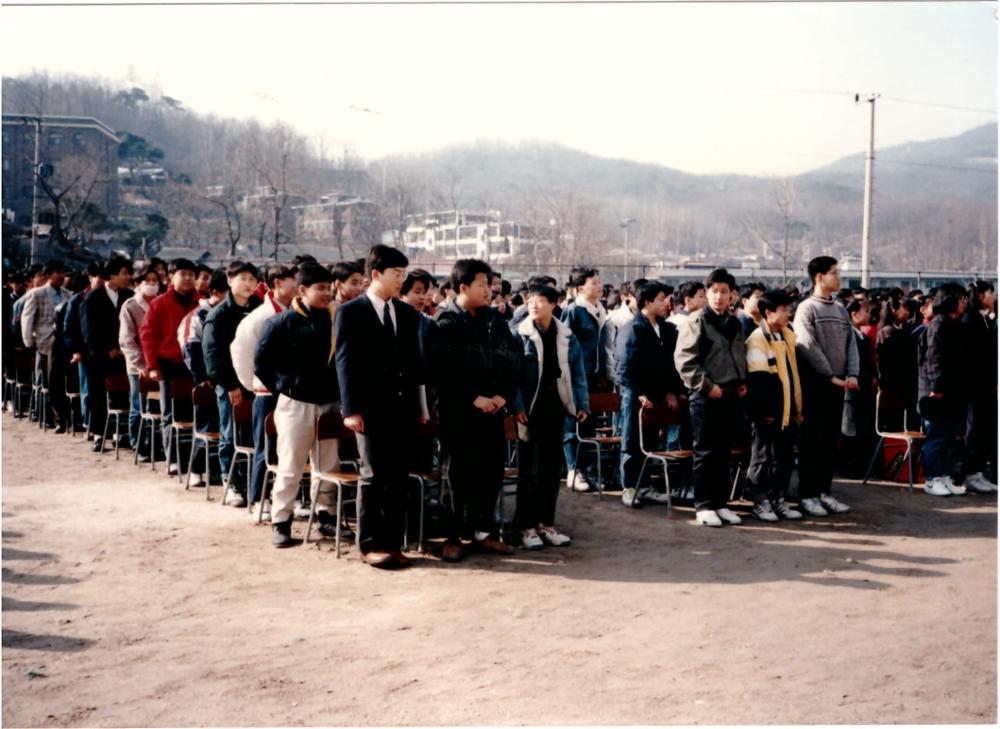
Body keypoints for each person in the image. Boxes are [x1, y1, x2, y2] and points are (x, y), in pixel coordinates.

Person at [336, 245, 427, 568]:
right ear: (376, 274)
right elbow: (345, 364)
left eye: (404, 274)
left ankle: (393, 542)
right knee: (373, 476)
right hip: (369, 410)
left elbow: (414, 364)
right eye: (396, 274)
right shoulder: (351, 312)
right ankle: (369, 545)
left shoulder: (405, 313)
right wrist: (350, 410)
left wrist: (421, 407)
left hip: (402, 409)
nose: (401, 280)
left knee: (399, 478)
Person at [427, 258, 520, 562]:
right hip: (458, 412)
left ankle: (483, 532)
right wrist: (472, 397)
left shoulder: (494, 320)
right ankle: (452, 536)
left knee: (490, 471)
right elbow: (441, 372)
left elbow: (511, 359)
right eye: (482, 284)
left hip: (492, 410)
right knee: (456, 475)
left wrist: (502, 395)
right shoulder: (444, 322)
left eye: (490, 284)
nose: (489, 290)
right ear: (462, 286)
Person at [254, 262, 343, 548]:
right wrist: (286, 386)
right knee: (291, 466)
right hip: (296, 405)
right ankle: (281, 521)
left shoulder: (336, 319)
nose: (327, 293)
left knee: (329, 465)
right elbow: (262, 364)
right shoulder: (282, 322)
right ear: (302, 290)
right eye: (320, 288)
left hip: (329, 404)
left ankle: (327, 517)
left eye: (329, 288)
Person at [511, 283, 588, 549]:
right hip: (529, 410)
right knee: (529, 471)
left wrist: (581, 404)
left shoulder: (566, 335)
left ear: (555, 304)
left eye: (541, 300)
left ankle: (546, 524)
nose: (534, 304)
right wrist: (517, 405)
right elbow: (514, 377)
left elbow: (577, 373)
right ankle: (526, 527)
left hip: (556, 406)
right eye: (530, 299)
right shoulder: (519, 334)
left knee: (550, 470)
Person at [674, 268, 748, 527]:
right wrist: (706, 386)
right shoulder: (697, 320)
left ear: (732, 296)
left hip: (730, 394)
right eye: (714, 291)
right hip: (706, 396)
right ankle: (704, 505)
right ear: (706, 294)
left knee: (723, 452)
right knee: (705, 451)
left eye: (724, 292)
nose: (718, 297)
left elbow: (739, 354)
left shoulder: (735, 322)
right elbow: (685, 361)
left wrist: (741, 381)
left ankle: (720, 503)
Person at [792, 256, 858, 517]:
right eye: (833, 273)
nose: (838, 277)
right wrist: (830, 375)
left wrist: (852, 373)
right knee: (812, 441)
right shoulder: (806, 309)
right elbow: (806, 344)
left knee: (831, 442)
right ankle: (807, 495)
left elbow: (851, 344)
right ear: (819, 277)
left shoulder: (841, 310)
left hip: (838, 385)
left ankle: (824, 492)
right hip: (816, 386)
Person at [230, 264, 297, 516]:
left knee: (289, 448)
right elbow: (242, 353)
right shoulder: (258, 317)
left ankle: (291, 498)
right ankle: (258, 497)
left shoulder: (295, 312)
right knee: (265, 447)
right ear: (278, 283)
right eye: (294, 281)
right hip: (266, 393)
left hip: (290, 392)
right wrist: (255, 384)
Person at [615, 281, 685, 508]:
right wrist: (640, 393)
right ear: (647, 302)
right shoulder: (633, 328)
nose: (667, 303)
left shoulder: (665, 328)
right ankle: (629, 487)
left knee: (651, 441)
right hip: (636, 396)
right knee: (631, 441)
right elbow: (625, 366)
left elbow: (669, 366)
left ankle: (645, 486)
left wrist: (671, 392)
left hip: (656, 395)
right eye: (662, 298)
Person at [202, 261, 262, 507]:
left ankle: (254, 483)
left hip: (257, 383)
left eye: (252, 279)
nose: (248, 284)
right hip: (231, 385)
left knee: (254, 434)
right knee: (230, 432)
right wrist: (230, 385)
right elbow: (213, 355)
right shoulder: (218, 315)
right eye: (242, 278)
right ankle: (231, 481)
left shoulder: (259, 308)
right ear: (229, 281)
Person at [744, 289, 804, 521]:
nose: (788, 313)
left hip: (787, 410)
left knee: (784, 457)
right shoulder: (757, 340)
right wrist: (764, 411)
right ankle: (760, 501)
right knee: (762, 457)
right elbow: (758, 381)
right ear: (768, 313)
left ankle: (778, 499)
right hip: (768, 413)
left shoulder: (786, 336)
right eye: (784, 310)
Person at [139, 258, 201, 476]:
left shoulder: (201, 303)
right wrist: (152, 365)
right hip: (168, 365)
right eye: (182, 274)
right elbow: (148, 336)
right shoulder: (159, 304)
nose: (187, 278)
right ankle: (173, 459)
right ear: (170, 278)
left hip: (194, 365)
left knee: (195, 414)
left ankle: (195, 463)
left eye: (191, 274)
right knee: (170, 413)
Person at [561, 267, 615, 493]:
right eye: (593, 282)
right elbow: (563, 345)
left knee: (589, 425)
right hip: (575, 377)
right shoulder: (573, 311)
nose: (599, 285)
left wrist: (607, 374)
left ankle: (588, 469)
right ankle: (574, 470)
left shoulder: (601, 311)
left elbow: (605, 348)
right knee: (573, 424)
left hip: (595, 377)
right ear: (580, 287)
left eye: (599, 281)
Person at [918, 284, 974, 496]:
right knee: (937, 436)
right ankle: (932, 479)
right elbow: (935, 360)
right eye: (960, 298)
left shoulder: (954, 325)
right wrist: (937, 388)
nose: (963, 302)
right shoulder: (939, 324)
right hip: (937, 394)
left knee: (949, 437)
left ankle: (945, 476)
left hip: (953, 393)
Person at [81, 257, 134, 452]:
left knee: (121, 394)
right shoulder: (93, 298)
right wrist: (106, 350)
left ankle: (120, 433)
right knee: (97, 395)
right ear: (112, 275)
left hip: (123, 354)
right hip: (99, 356)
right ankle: (98, 434)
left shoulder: (130, 295)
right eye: (124, 273)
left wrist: (122, 348)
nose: (128, 277)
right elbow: (89, 329)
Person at [20, 260, 71, 430]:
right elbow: (27, 318)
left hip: (63, 341)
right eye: (58, 272)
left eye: (63, 272)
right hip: (45, 341)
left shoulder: (67, 294)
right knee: (51, 381)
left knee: (61, 380)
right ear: (49, 275)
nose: (62, 276)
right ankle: (55, 417)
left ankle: (64, 415)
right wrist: (29, 341)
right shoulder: (37, 294)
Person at [960, 280, 998, 492]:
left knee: (983, 429)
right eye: (991, 293)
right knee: (975, 429)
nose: (994, 297)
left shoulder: (982, 320)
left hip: (985, 385)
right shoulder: (971, 320)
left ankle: (977, 472)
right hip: (976, 386)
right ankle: (970, 474)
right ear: (982, 295)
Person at [120, 265, 161, 455]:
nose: (152, 284)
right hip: (138, 365)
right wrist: (141, 364)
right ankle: (137, 443)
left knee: (157, 406)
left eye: (155, 281)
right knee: (138, 404)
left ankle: (155, 443)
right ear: (138, 283)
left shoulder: (161, 303)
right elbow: (127, 340)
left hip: (159, 364)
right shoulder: (130, 306)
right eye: (148, 281)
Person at [840, 299, 879, 479]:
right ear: (854, 314)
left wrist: (873, 377)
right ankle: (848, 468)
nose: (868, 315)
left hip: (864, 391)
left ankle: (859, 467)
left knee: (862, 430)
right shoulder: (848, 335)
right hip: (853, 391)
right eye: (865, 311)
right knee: (850, 431)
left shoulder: (862, 336)